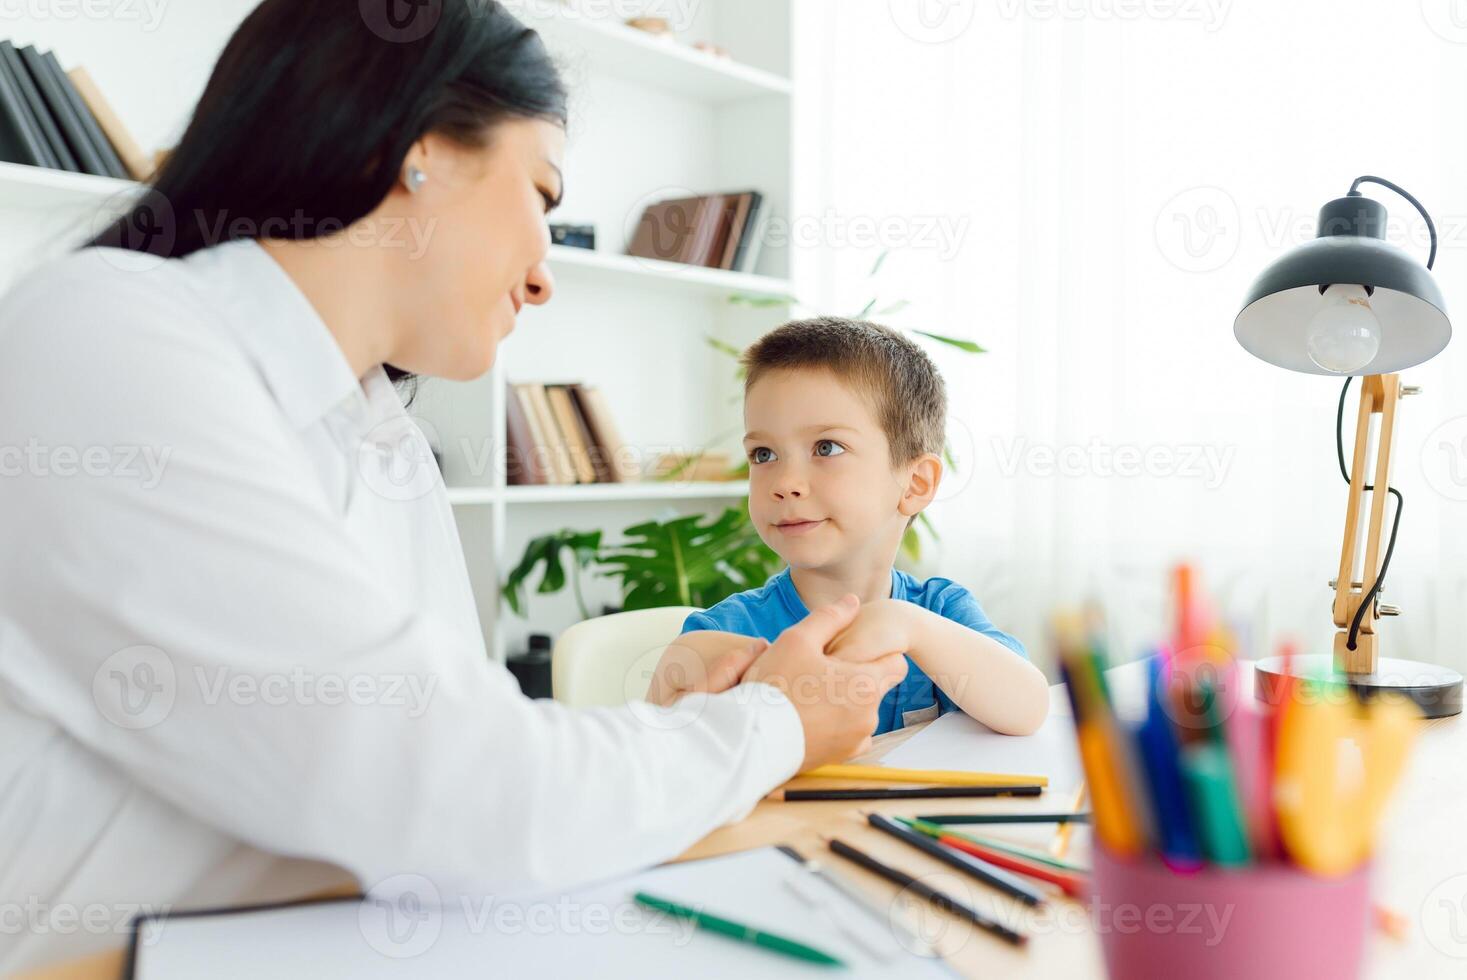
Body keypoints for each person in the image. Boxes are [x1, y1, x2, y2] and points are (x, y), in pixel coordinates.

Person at [0, 3, 905, 972]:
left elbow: (452, 753)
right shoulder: (107, 338)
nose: (544, 275)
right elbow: (454, 795)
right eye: (544, 194)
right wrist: (768, 722)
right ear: (417, 152)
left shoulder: (379, 434)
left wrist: (665, 721)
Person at [653, 317, 1049, 736]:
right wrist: (681, 668)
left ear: (915, 484)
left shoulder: (937, 612)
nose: (785, 484)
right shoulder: (725, 632)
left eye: (826, 448)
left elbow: (1028, 707)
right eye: (764, 454)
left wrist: (906, 625)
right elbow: (663, 761)